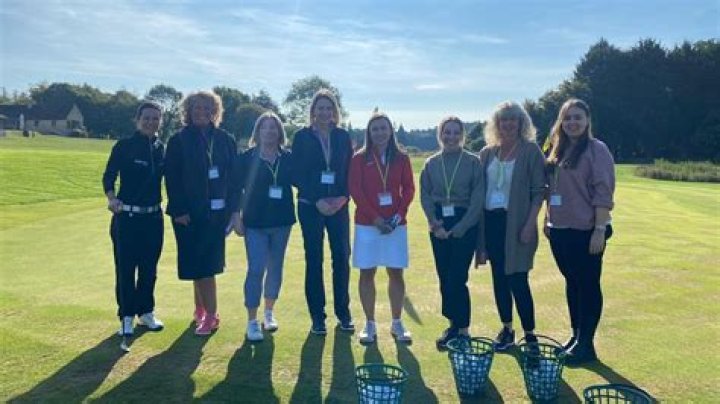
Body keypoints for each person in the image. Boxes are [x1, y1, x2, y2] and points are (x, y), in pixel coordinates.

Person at [544, 98, 615, 365]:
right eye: (567, 118)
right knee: (572, 283)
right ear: (561, 122)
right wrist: (547, 220)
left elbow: (603, 192)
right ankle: (576, 337)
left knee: (587, 285)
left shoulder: (597, 150)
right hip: (559, 230)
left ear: (587, 121)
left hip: (586, 230)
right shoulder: (557, 149)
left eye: (577, 117)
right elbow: (551, 189)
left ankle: (586, 344)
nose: (572, 122)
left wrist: (599, 229)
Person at [164, 91, 241, 336]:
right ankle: (200, 309)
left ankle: (211, 315)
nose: (202, 112)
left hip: (217, 214)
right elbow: (172, 178)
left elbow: (235, 179)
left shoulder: (225, 139)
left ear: (214, 111)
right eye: (197, 107)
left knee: (207, 266)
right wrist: (179, 210)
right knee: (195, 264)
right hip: (188, 214)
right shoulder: (178, 140)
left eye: (207, 108)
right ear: (188, 110)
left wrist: (234, 210)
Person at [475, 101, 546, 352]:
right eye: (503, 120)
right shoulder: (487, 153)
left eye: (512, 119)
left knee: (518, 279)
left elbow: (539, 192)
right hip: (491, 224)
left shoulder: (530, 151)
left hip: (517, 223)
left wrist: (529, 224)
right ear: (497, 124)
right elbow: (479, 191)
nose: (508, 124)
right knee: (499, 278)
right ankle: (507, 329)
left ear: (520, 122)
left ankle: (530, 334)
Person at [291, 89, 354, 335]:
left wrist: (343, 197)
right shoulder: (302, 137)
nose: (325, 112)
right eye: (321, 108)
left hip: (338, 205)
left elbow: (350, 170)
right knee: (314, 259)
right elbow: (297, 173)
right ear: (313, 111)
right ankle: (317, 317)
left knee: (341, 257)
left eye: (329, 108)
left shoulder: (342, 136)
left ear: (334, 111)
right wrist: (317, 199)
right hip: (311, 206)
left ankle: (343, 313)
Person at [349, 112, 415, 344]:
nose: (379, 133)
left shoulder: (402, 158)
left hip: (395, 225)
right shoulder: (359, 158)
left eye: (383, 128)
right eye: (375, 129)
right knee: (367, 273)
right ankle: (369, 324)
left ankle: (397, 323)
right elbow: (356, 190)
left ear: (390, 131)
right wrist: (375, 218)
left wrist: (398, 216)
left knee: (396, 273)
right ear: (369, 132)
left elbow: (409, 189)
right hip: (367, 225)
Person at [420, 116, 484, 350]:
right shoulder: (431, 163)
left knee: (458, 278)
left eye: (456, 132)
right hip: (439, 223)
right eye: (447, 132)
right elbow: (425, 195)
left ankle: (464, 330)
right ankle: (452, 326)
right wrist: (434, 223)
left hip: (464, 222)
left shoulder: (473, 162)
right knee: (444, 277)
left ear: (462, 135)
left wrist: (461, 227)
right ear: (440, 134)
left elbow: (477, 198)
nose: (451, 137)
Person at [102, 101, 165, 337]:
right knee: (126, 269)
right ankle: (126, 315)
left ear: (160, 122)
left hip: (153, 218)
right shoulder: (124, 146)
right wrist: (112, 198)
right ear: (137, 120)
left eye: (155, 118)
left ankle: (146, 312)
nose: (151, 122)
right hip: (127, 217)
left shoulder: (161, 148)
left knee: (149, 269)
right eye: (146, 118)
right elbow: (109, 176)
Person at [233, 112, 296, 342]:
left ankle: (269, 312)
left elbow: (303, 180)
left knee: (275, 268)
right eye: (264, 127)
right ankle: (252, 320)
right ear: (257, 132)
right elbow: (235, 188)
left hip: (282, 222)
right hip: (255, 222)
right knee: (256, 269)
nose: (269, 131)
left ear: (279, 132)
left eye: (273, 127)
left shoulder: (287, 158)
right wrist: (236, 215)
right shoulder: (246, 158)